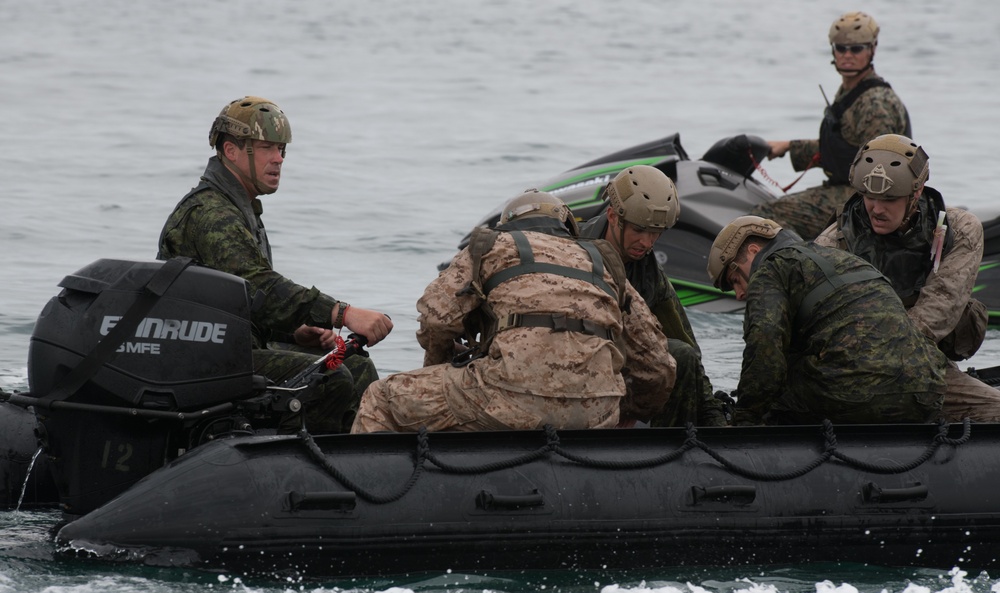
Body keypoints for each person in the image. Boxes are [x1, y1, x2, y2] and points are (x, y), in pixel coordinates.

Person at [158, 96, 393, 434]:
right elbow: (260, 286)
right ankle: (300, 466)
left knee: (353, 365)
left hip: (231, 345)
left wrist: (293, 332)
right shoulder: (212, 213)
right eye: (267, 147)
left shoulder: (240, 208)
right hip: (203, 359)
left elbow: (240, 302)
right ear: (231, 151)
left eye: (282, 149)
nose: (278, 159)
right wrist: (343, 313)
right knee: (331, 380)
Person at [351, 189, 675, 433]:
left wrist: (438, 367)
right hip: (597, 411)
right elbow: (658, 364)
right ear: (567, 227)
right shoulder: (602, 262)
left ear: (509, 226)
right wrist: (628, 413)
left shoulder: (492, 245)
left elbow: (437, 317)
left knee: (381, 398)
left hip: (508, 399)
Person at [815, 134, 1000, 422]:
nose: (876, 208)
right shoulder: (833, 243)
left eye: (889, 199)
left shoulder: (957, 230)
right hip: (854, 369)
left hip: (921, 360)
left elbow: (939, 309)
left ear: (916, 192)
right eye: (869, 197)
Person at [707, 215, 948, 425]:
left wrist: (745, 419)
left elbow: (764, 348)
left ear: (753, 251)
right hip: (926, 392)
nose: (739, 294)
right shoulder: (844, 258)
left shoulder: (771, 269)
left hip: (854, 394)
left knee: (776, 390)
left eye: (735, 279)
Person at [579, 165, 727, 426]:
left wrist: (714, 417)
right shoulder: (575, 251)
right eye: (638, 230)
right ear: (613, 216)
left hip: (623, 364)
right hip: (577, 361)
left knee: (682, 357)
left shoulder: (646, 268)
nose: (647, 243)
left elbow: (685, 343)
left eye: (655, 232)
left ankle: (671, 450)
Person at [751, 11, 910, 240]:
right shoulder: (851, 91)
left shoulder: (876, 103)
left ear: (872, 49)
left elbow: (880, 170)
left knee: (765, 216)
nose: (847, 55)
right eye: (840, 48)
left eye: (856, 49)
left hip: (867, 198)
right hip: (849, 189)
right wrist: (789, 147)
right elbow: (845, 147)